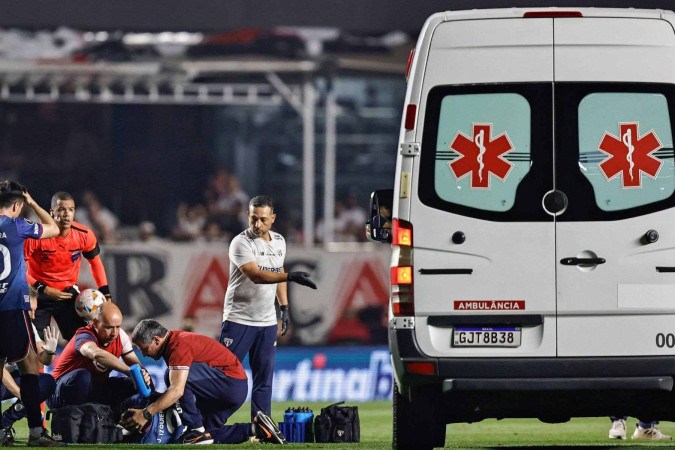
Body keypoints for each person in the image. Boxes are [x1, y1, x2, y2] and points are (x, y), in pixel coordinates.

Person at [219, 195, 317, 420]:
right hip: (238, 319)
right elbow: (255, 275)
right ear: (247, 216)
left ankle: (261, 428)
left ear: (273, 218)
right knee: (223, 374)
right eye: (253, 218)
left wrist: (284, 308)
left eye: (263, 219)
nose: (257, 224)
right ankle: (210, 424)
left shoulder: (280, 241)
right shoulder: (240, 242)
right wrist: (291, 276)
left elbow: (278, 271)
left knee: (264, 379)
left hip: (266, 321)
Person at [122, 319, 286, 444]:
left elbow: (178, 390)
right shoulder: (176, 342)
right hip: (231, 387)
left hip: (229, 384)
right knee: (210, 434)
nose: (143, 354)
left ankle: (196, 429)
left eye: (144, 348)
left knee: (171, 378)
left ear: (157, 340)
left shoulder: (178, 344)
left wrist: (146, 413)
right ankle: (257, 429)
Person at [0, 180, 63, 446]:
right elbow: (55, 229)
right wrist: (34, 202)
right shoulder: (17, 225)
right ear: (17, 205)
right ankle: (36, 432)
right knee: (30, 368)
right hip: (12, 309)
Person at [24, 191, 113, 341]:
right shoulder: (36, 235)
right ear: (52, 212)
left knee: (82, 340)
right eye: (61, 209)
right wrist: (43, 289)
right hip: (38, 293)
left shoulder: (84, 234)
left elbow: (95, 262)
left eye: (71, 209)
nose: (66, 214)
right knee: (34, 345)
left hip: (67, 294)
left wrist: (106, 292)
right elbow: (20, 268)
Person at [47, 302, 148, 419]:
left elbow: (136, 365)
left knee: (134, 384)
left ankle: (112, 424)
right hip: (58, 392)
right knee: (83, 376)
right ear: (95, 323)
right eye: (109, 327)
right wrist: (129, 371)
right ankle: (74, 422)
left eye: (118, 327)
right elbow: (96, 354)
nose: (114, 333)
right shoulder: (84, 335)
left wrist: (142, 375)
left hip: (92, 390)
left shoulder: (121, 336)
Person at [0, 323, 60, 444]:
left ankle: (6, 421)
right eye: (30, 308)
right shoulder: (5, 319)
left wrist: (50, 351)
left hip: (11, 376)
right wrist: (25, 397)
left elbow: (43, 360)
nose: (33, 311)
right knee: (29, 392)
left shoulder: (26, 322)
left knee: (46, 382)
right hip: (2, 377)